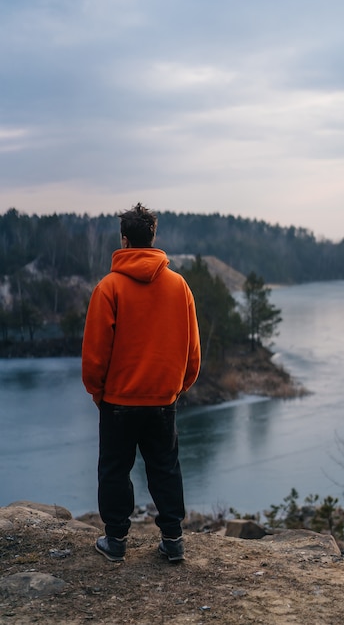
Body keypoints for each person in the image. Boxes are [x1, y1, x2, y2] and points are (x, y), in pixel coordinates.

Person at [82, 202, 201, 563]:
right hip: (163, 401)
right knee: (165, 467)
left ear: (124, 240)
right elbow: (192, 350)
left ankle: (116, 541)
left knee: (115, 469)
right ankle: (173, 540)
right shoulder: (179, 285)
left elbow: (94, 355)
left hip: (118, 401)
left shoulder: (109, 288)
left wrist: (99, 393)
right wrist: (177, 387)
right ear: (153, 237)